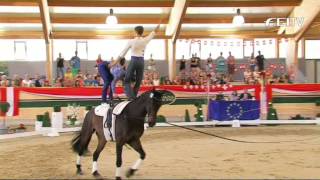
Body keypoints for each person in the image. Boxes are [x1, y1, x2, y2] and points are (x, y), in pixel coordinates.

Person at [118, 23, 160, 100]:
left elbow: (123, 52)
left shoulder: (131, 41)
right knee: (138, 81)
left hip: (134, 60)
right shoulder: (145, 40)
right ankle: (134, 96)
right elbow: (153, 33)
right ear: (142, 32)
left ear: (135, 32)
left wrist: (117, 60)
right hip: (141, 61)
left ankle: (131, 97)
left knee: (127, 80)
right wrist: (158, 26)